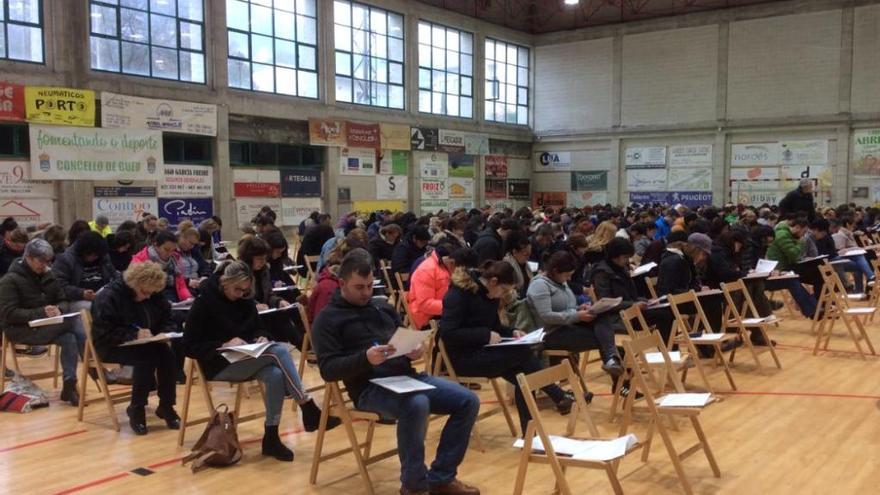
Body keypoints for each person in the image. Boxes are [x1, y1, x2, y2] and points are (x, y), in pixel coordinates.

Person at [313, 249, 482, 495]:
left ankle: (442, 478)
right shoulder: (327, 320)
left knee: (468, 400)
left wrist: (414, 349)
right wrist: (364, 358)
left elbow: (402, 338)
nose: (366, 292)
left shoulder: (382, 307)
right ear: (342, 284)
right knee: (417, 404)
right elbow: (328, 370)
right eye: (359, 287)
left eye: (370, 285)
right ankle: (413, 486)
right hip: (369, 388)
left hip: (407, 378)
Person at [183, 260, 338, 462]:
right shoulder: (204, 303)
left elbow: (259, 327)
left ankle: (271, 437)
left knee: (275, 375)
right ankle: (307, 406)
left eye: (245, 290)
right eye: (237, 289)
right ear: (224, 282)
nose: (241, 294)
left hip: (248, 356)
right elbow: (189, 345)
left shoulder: (245, 300)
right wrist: (222, 343)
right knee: (279, 352)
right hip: (218, 363)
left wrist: (261, 336)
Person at [440, 260, 577, 435]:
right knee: (524, 357)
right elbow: (448, 334)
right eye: (504, 290)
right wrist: (484, 334)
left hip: (485, 351)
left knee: (525, 376)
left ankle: (531, 433)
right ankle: (556, 395)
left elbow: (494, 325)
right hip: (463, 357)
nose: (503, 295)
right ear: (493, 281)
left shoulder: (490, 295)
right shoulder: (458, 295)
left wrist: (512, 332)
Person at [90, 262, 180, 435]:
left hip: (146, 343)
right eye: (145, 293)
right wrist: (132, 335)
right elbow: (103, 333)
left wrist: (164, 333)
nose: (148, 297)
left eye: (152, 293)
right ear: (134, 284)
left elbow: (167, 318)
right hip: (110, 346)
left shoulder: (153, 293)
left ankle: (166, 405)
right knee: (146, 357)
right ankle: (137, 408)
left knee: (167, 354)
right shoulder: (109, 296)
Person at [0, 238, 85, 405]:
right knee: (75, 322)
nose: (45, 265)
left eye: (48, 261)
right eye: (41, 261)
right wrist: (41, 312)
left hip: (47, 326)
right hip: (20, 330)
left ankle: (70, 381)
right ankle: (93, 364)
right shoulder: (9, 280)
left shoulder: (48, 274)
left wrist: (58, 309)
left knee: (70, 337)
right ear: (29, 257)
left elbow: (63, 300)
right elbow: (9, 313)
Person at [528, 251, 623, 378]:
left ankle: (612, 361)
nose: (569, 279)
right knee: (611, 344)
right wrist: (577, 315)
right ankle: (612, 363)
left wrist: (579, 308)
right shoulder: (539, 285)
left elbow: (568, 307)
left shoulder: (561, 281)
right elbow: (546, 316)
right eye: (567, 275)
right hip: (552, 333)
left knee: (602, 316)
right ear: (555, 271)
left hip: (569, 326)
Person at [238, 236, 303, 348]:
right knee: (277, 322)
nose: (263, 262)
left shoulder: (264, 270)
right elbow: (238, 298)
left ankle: (301, 347)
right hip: (247, 315)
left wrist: (278, 301)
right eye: (259, 259)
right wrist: (255, 305)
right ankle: (299, 347)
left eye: (264, 258)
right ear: (249, 257)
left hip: (266, 312)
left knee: (283, 315)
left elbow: (269, 294)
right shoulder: (240, 272)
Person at [407, 245, 474, 330]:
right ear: (451, 262)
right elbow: (425, 304)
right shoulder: (426, 270)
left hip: (446, 314)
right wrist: (455, 307)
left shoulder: (448, 267)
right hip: (428, 318)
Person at [52, 231, 117, 311]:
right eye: (93, 255)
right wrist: (81, 293)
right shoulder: (65, 260)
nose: (95, 257)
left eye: (97, 255)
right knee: (100, 308)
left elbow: (114, 275)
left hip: (102, 295)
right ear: (84, 251)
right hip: (77, 299)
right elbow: (59, 286)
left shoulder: (103, 257)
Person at [131, 231, 193, 304]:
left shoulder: (175, 260)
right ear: (156, 245)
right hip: (152, 301)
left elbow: (182, 286)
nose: (170, 253)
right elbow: (141, 291)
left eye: (173, 250)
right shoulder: (139, 261)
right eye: (166, 249)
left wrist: (189, 299)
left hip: (174, 300)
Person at [502, 230, 532, 299]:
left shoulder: (524, 264)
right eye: (525, 254)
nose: (528, 257)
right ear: (515, 252)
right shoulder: (507, 266)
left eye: (529, 254)